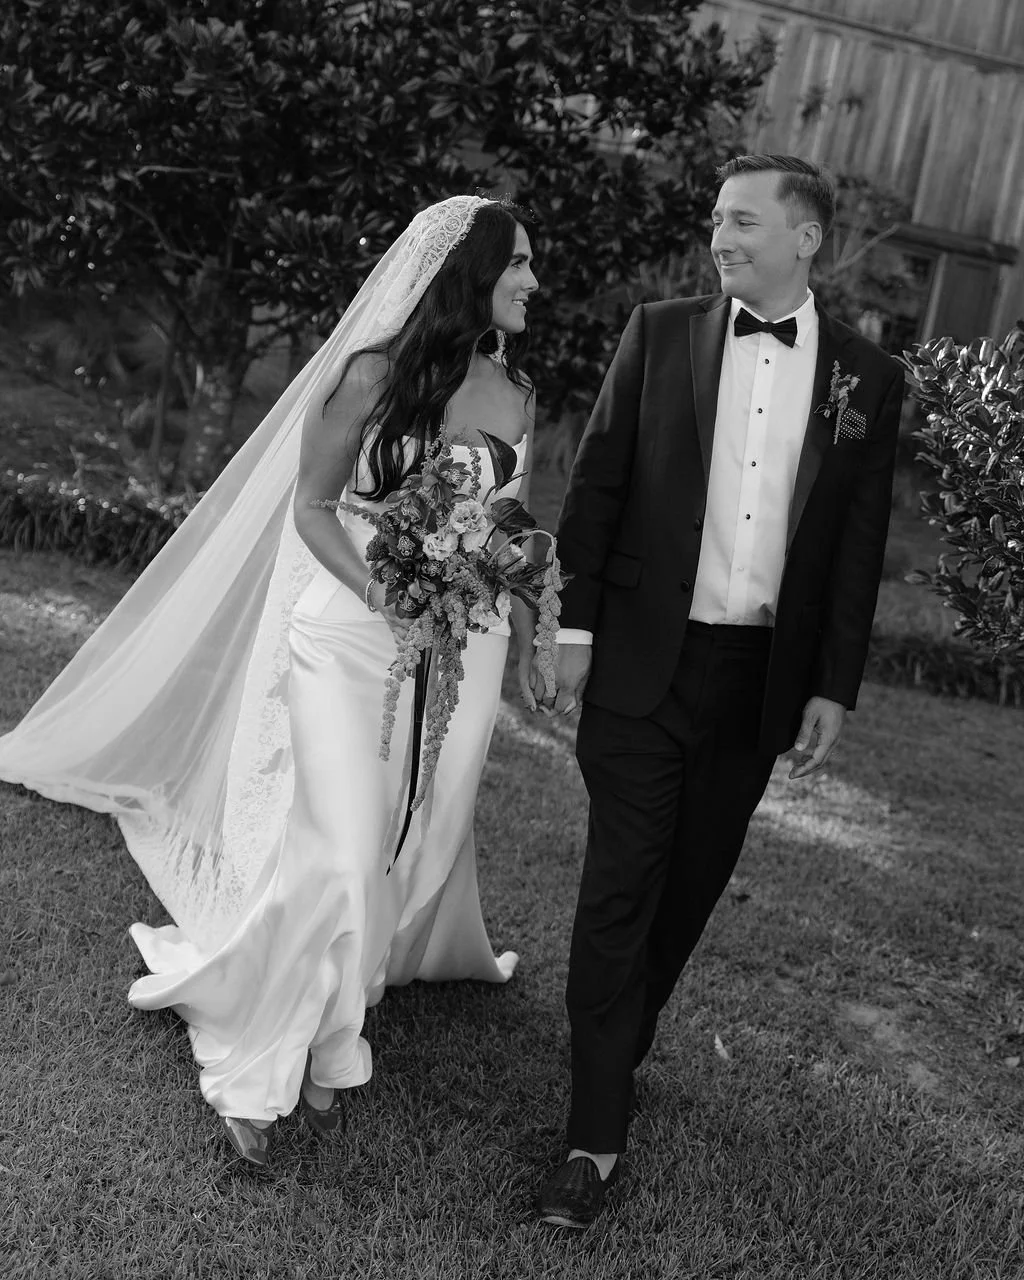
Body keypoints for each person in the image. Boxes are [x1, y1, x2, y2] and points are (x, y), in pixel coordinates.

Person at [0, 195, 541, 1167]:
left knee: (383, 844)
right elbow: (314, 508)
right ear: (471, 273)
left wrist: (491, 576)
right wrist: (390, 584)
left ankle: (335, 1030)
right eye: (521, 266)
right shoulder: (367, 376)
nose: (534, 284)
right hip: (341, 633)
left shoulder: (515, 395)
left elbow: (505, 519)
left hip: (449, 646)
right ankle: (260, 1070)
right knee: (336, 848)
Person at [534, 155, 904, 1228]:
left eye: (741, 221)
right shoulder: (657, 335)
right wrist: (573, 628)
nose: (719, 238)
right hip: (643, 661)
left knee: (687, 889)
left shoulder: (866, 382)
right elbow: (596, 483)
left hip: (758, 684)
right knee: (619, 885)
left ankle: (613, 1049)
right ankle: (592, 1135)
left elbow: (856, 548)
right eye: (714, 221)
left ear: (806, 239)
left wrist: (833, 684)